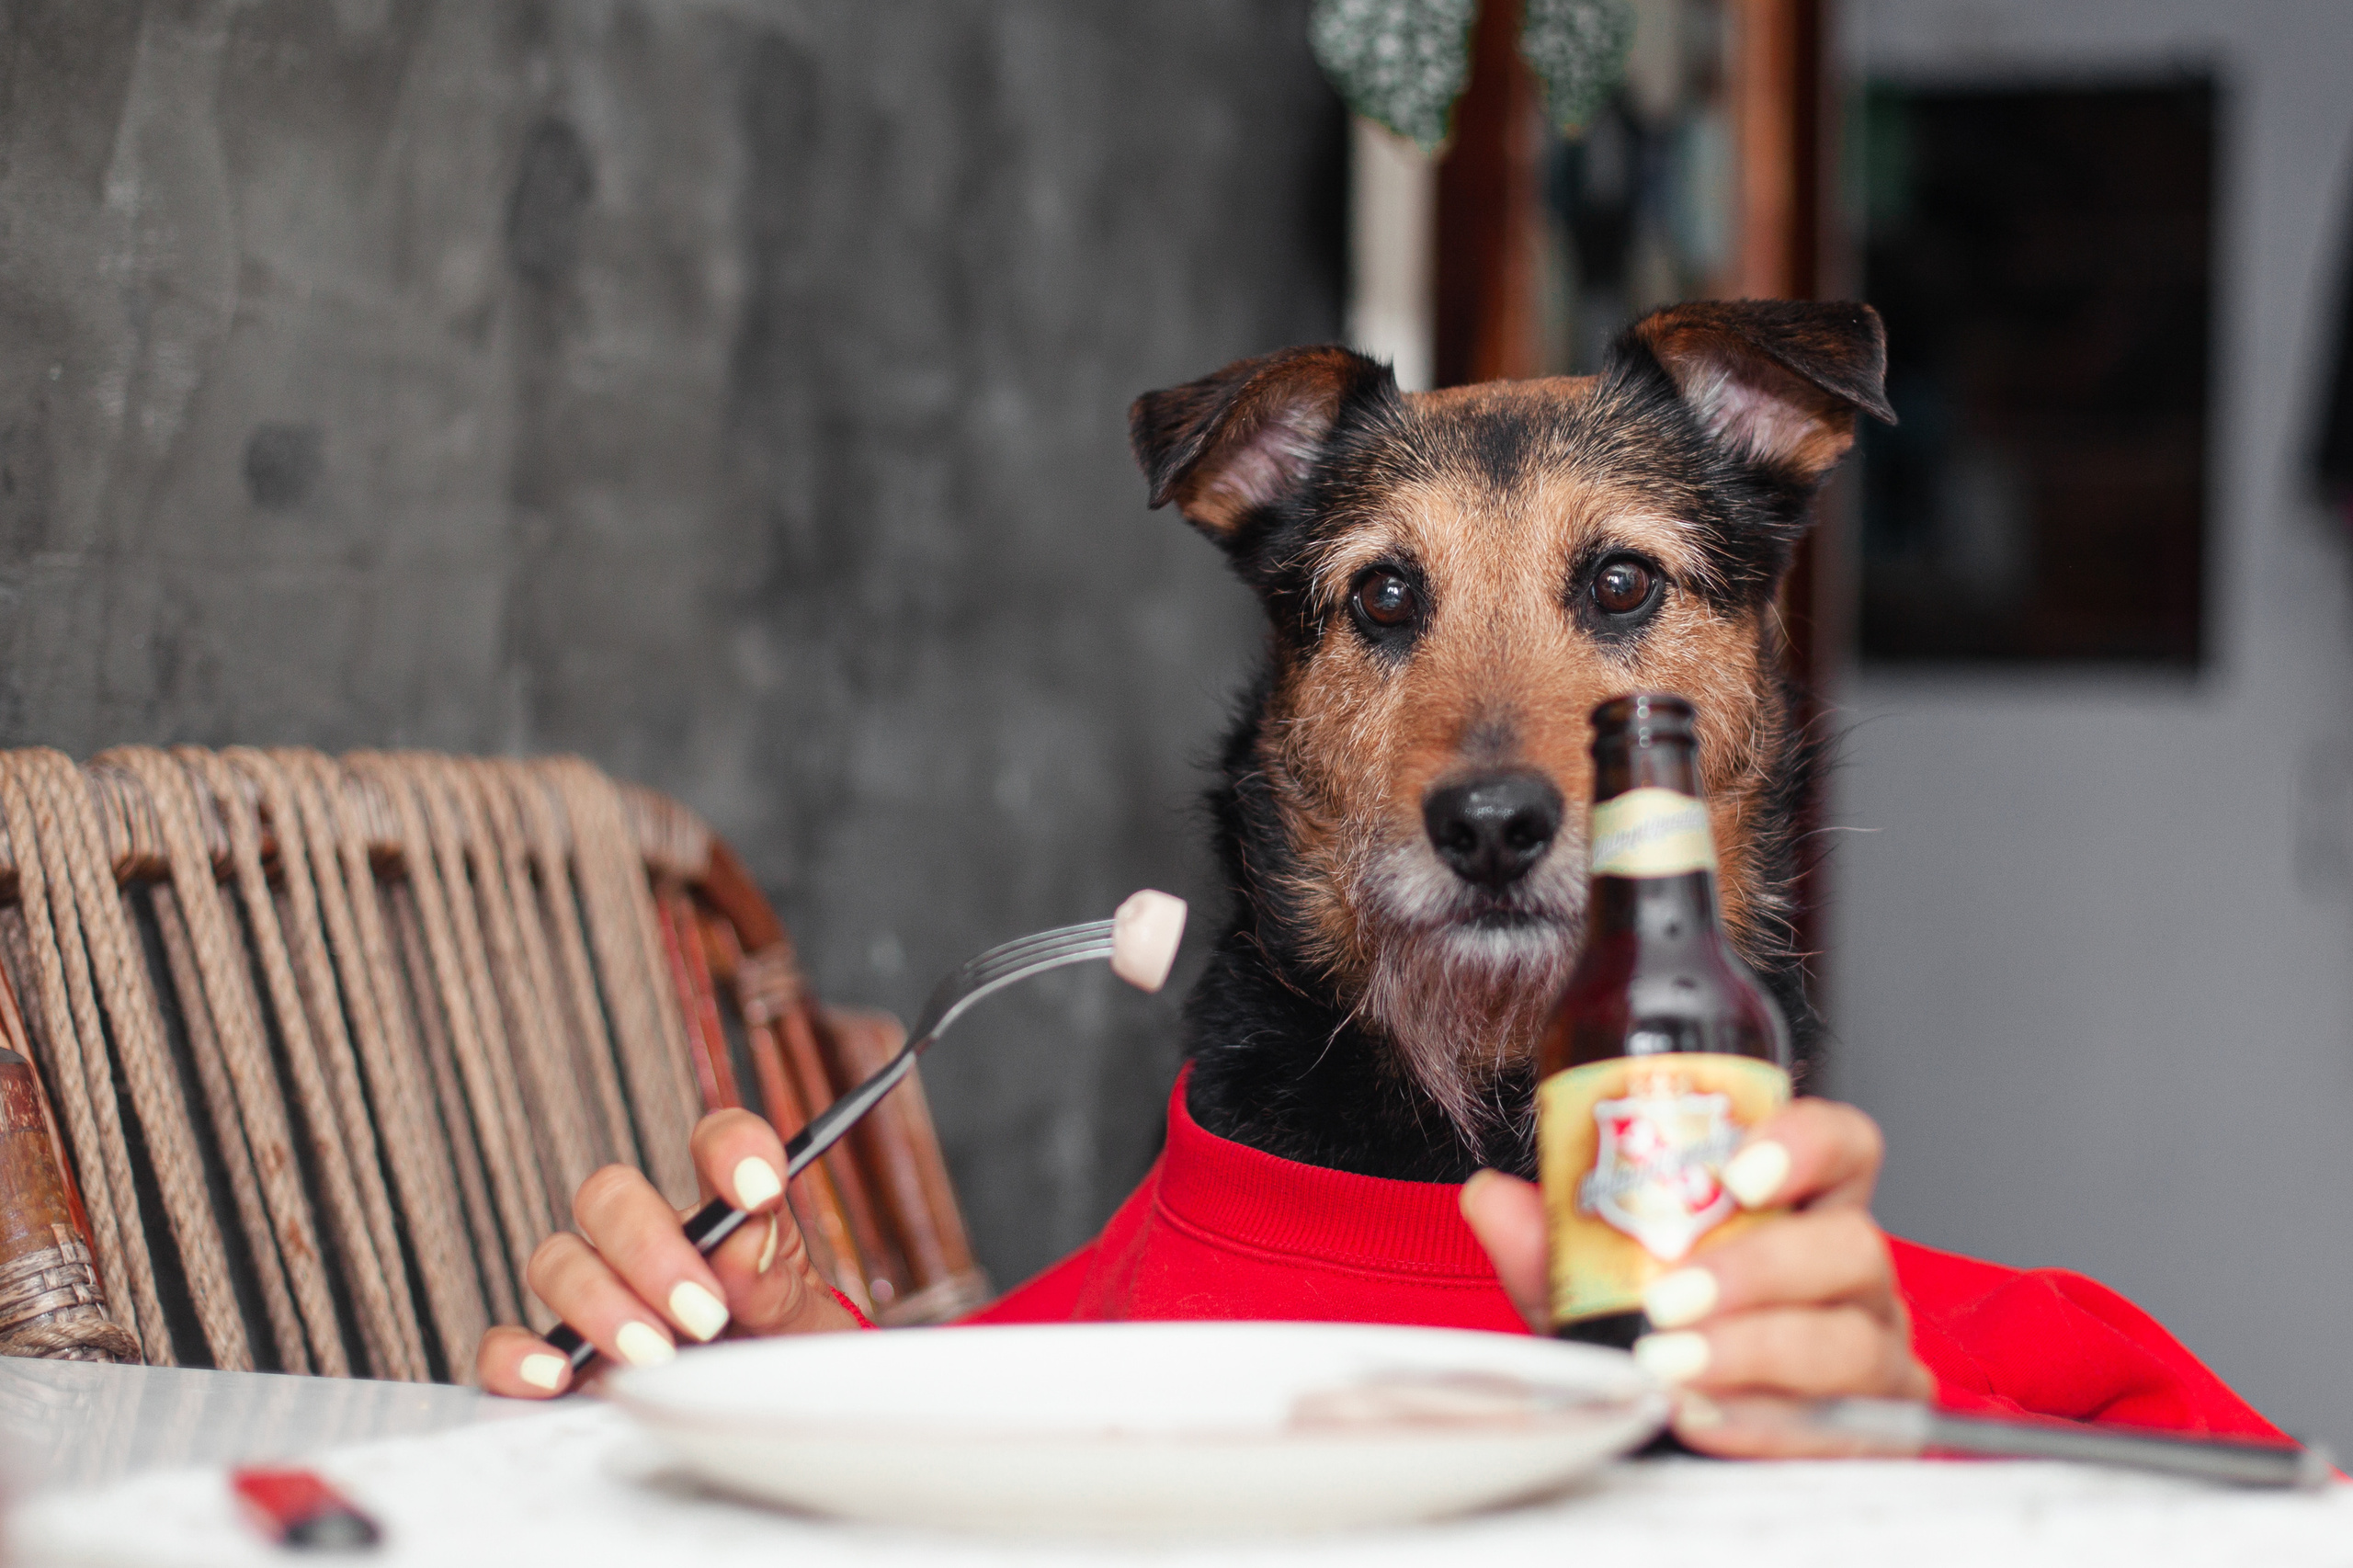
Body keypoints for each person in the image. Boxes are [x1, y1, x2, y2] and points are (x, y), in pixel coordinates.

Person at [478, 1083, 2283, 1457]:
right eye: (1382, 599)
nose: (1492, 753)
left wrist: (1901, 1491)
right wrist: (754, 1403)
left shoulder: (2029, 1369)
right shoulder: (1071, 1368)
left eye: (1621, 586)